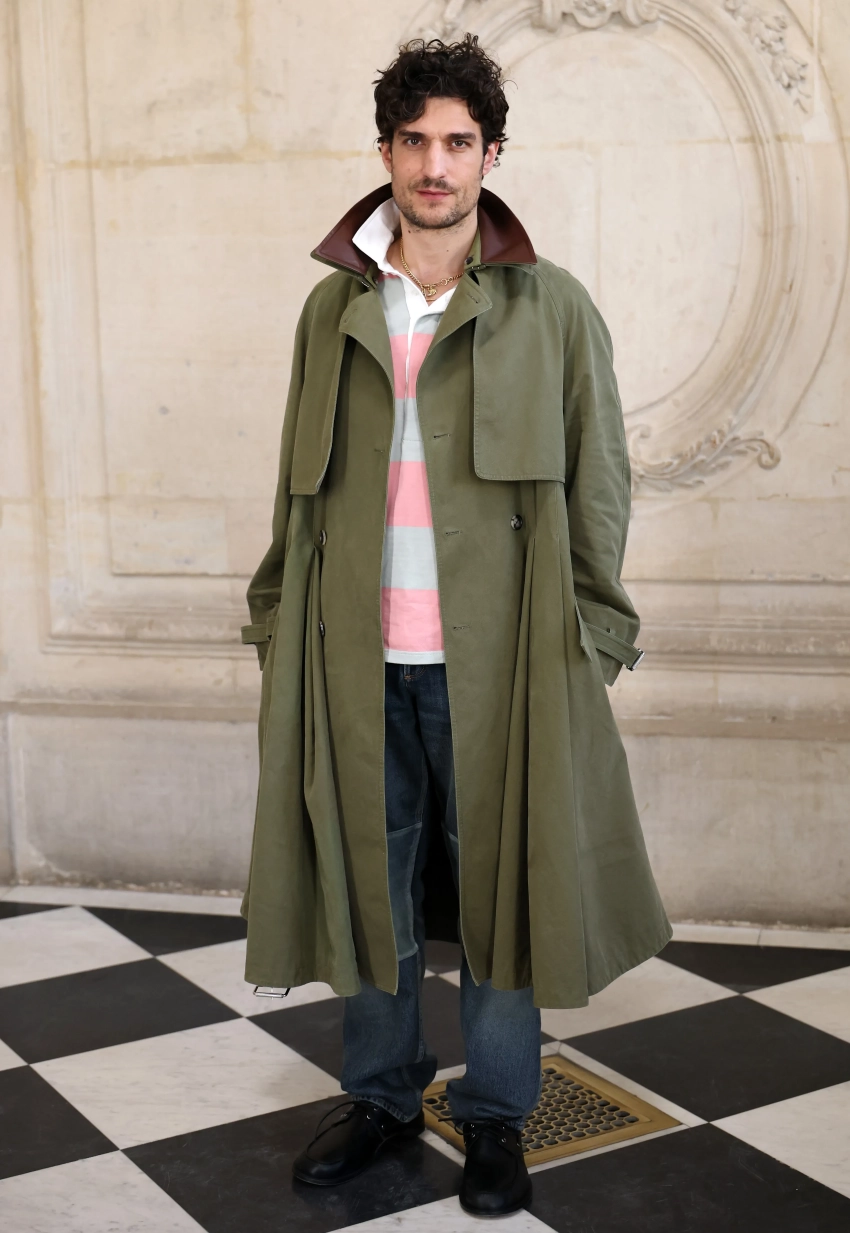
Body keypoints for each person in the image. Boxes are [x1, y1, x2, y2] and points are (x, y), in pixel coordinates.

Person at [239, 33, 671, 1218]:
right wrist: (278, 624)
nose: (435, 164)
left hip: (506, 664)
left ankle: (493, 1115)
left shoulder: (551, 306)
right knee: (368, 881)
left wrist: (590, 636)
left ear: (491, 155)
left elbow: (600, 482)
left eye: (458, 142)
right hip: (355, 655)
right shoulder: (331, 311)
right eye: (415, 140)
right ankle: (381, 1097)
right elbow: (296, 491)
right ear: (385, 151)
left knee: (502, 887)